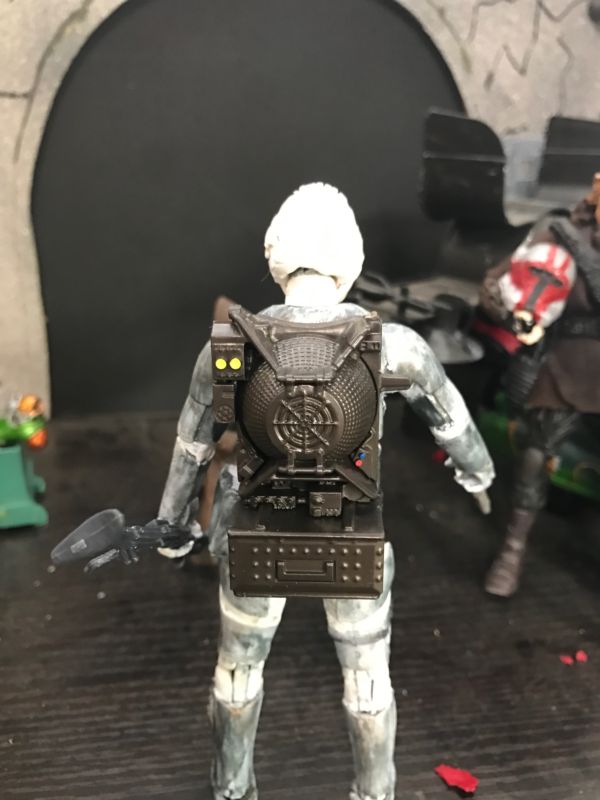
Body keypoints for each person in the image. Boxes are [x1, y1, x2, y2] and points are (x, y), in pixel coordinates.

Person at [155, 182, 494, 800]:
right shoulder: (395, 347)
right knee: (368, 682)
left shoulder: (228, 345)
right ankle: (374, 792)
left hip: (256, 535)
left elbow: (190, 448)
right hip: (352, 536)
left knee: (237, 672)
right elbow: (453, 423)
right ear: (353, 262)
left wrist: (174, 527)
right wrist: (479, 472)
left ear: (273, 258)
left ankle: (231, 788)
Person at [480, 174, 600, 597]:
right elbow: (499, 281)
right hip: (569, 361)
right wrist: (514, 310)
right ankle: (513, 549)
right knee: (535, 455)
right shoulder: (561, 233)